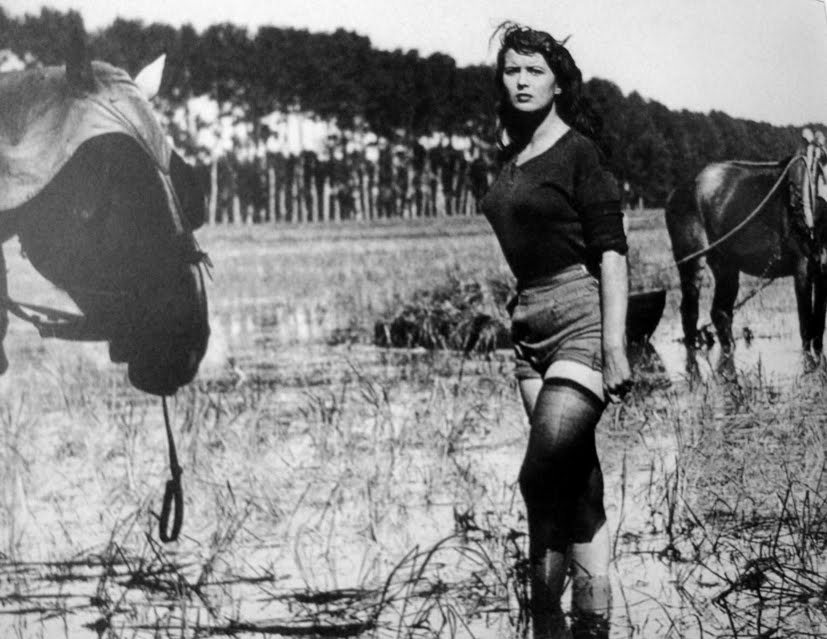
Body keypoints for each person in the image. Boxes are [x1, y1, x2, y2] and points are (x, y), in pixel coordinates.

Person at [480, 23, 632, 639]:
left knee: (538, 475)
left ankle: (546, 618)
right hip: (528, 331)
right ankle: (591, 618)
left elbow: (612, 253)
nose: (522, 81)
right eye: (512, 70)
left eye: (534, 71)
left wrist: (614, 346)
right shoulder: (509, 158)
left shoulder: (579, 153)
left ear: (558, 84)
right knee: (575, 484)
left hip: (580, 322)